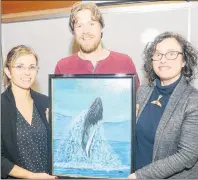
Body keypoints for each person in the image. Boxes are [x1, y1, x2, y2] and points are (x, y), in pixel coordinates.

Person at [128, 32, 198, 179]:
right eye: (158, 54)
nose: (163, 60)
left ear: (184, 60)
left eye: (171, 54)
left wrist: (140, 176)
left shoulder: (193, 100)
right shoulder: (143, 92)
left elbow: (187, 155)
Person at [1, 45, 56, 179]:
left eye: (32, 67)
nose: (27, 72)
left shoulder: (46, 102)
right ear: (8, 71)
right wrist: (31, 176)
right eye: (19, 67)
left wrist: (55, 129)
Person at [54, 2, 140, 88]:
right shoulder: (62, 67)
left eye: (91, 24)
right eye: (79, 26)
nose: (86, 31)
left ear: (101, 27)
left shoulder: (124, 62)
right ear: (74, 32)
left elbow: (136, 100)